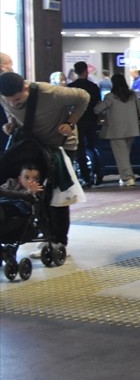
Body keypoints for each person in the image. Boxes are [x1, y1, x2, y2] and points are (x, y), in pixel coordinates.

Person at [0, 71, 90, 248]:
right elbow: (10, 109)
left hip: (59, 146)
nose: (12, 103)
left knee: (55, 193)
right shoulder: (5, 95)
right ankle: (45, 232)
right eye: (7, 99)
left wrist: (71, 122)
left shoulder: (50, 93)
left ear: (26, 88)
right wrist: (12, 122)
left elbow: (84, 97)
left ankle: (58, 240)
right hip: (31, 146)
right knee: (33, 192)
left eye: (17, 99)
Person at [94, 73, 140, 186]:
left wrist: (99, 104)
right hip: (131, 130)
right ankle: (123, 176)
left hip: (116, 131)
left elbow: (97, 110)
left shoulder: (110, 97)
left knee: (121, 156)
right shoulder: (132, 95)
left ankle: (128, 178)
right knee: (124, 155)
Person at [67, 61, 102, 187]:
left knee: (80, 149)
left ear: (75, 72)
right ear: (86, 71)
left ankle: (86, 177)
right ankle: (98, 174)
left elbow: (67, 106)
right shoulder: (94, 87)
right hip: (91, 120)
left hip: (77, 121)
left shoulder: (71, 87)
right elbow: (98, 105)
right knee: (92, 147)